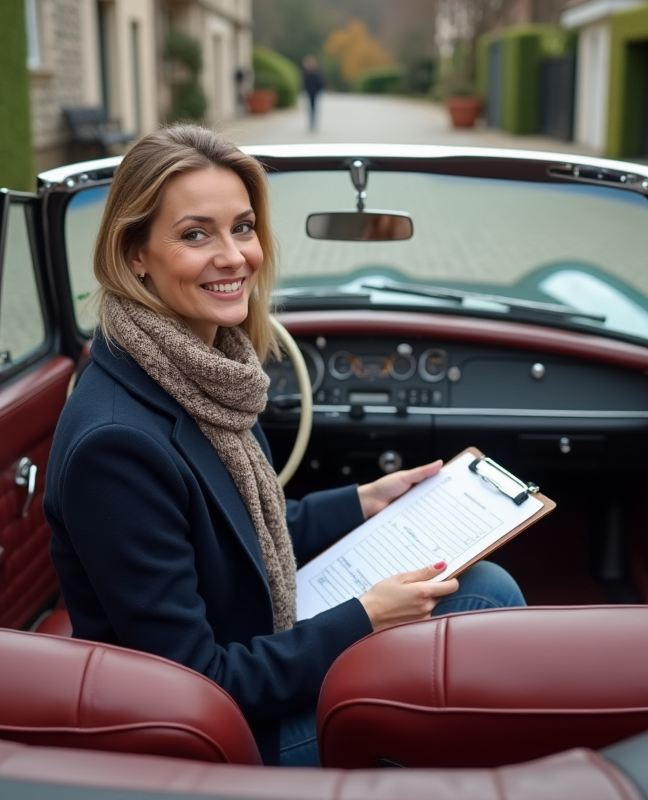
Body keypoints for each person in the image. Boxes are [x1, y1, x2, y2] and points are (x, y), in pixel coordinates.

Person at [44, 125, 524, 767]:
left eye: (242, 228)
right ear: (135, 253)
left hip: (249, 663)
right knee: (487, 600)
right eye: (195, 235)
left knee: (480, 585)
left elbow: (241, 533)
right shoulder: (117, 445)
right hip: (214, 738)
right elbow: (195, 681)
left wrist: (363, 501)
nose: (234, 257)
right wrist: (365, 618)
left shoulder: (199, 372)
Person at [301, 55, 324, 131]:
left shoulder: (316, 73)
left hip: (315, 92)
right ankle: (311, 122)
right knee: (310, 107)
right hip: (309, 92)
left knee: (314, 107)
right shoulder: (306, 73)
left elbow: (320, 82)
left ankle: (313, 122)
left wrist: (319, 90)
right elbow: (304, 83)